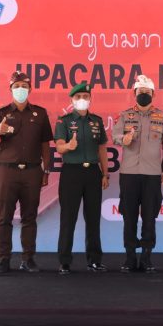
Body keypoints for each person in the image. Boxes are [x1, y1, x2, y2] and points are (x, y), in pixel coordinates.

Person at [0, 71, 53, 274]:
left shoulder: (40, 113)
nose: (20, 89)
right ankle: (3, 259)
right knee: (4, 217)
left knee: (29, 217)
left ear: (30, 89)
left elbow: (45, 145)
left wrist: (46, 171)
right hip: (7, 172)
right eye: (16, 86)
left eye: (24, 86)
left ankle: (28, 259)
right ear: (11, 89)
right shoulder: (1, 114)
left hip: (32, 172)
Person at [111, 75, 163, 273]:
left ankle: (146, 258)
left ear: (153, 94)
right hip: (129, 174)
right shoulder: (125, 115)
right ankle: (130, 258)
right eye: (141, 92)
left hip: (152, 175)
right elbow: (114, 136)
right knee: (129, 217)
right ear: (135, 94)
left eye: (147, 92)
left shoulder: (162, 117)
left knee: (149, 217)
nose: (144, 95)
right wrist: (124, 138)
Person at [54, 81, 110, 275]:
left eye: (85, 97)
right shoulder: (64, 121)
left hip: (93, 172)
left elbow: (102, 148)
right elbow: (59, 146)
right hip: (72, 172)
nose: (82, 99)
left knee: (93, 218)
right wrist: (67, 146)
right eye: (78, 97)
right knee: (68, 218)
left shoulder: (97, 121)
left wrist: (105, 173)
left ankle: (94, 261)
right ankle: (64, 262)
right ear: (72, 100)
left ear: (90, 99)